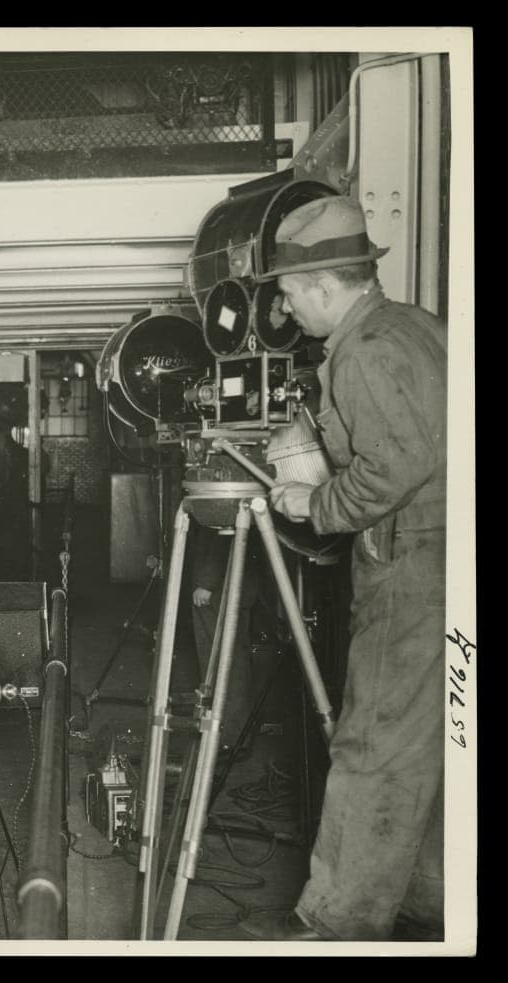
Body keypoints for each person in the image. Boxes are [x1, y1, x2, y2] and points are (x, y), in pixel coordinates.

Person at [243, 195, 447, 942]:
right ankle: (427, 898)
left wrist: (313, 501)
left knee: (373, 740)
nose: (288, 309)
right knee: (434, 738)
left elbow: (397, 464)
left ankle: (337, 921)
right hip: (447, 559)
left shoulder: (363, 351)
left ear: (327, 285)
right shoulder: (418, 326)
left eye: (292, 294)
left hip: (414, 562)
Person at [189, 524, 265, 756]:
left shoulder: (226, 487)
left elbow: (225, 531)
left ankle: (229, 737)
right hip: (234, 583)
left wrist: (207, 581)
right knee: (231, 658)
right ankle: (230, 734)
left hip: (220, 587)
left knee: (224, 660)